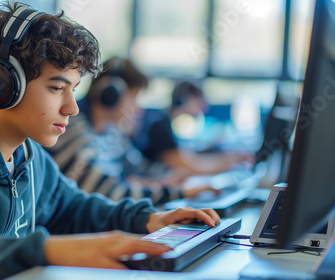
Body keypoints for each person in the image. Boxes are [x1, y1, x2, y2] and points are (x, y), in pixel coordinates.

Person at [0, 3, 220, 280]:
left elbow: (73, 209)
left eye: (74, 90)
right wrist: (44, 251)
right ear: (2, 84)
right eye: (56, 88)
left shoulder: (28, 154)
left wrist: (149, 220)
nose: (72, 107)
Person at [45, 57, 215, 206]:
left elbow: (138, 168)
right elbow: (109, 194)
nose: (139, 108)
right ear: (111, 94)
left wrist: (173, 175)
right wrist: (177, 192)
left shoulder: (110, 131)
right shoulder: (71, 128)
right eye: (134, 98)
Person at [131, 81, 253, 178]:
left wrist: (227, 157)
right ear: (184, 99)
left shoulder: (166, 124)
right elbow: (191, 166)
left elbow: (188, 156)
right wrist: (230, 162)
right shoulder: (159, 127)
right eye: (199, 100)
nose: (203, 107)